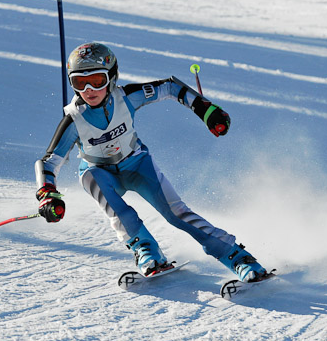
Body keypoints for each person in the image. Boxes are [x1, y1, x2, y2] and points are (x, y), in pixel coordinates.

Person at [34, 42, 268, 282]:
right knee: (111, 201)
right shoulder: (74, 119)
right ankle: (146, 249)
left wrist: (205, 110)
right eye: (79, 83)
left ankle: (237, 256)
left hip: (136, 164)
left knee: (176, 213)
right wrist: (47, 193)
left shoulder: (127, 97)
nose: (89, 90)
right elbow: (49, 161)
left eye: (96, 80)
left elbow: (169, 87)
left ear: (112, 78)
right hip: (99, 171)